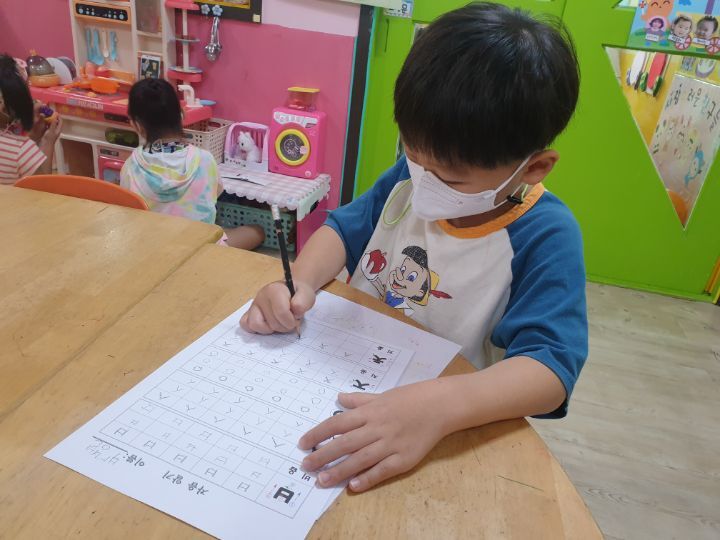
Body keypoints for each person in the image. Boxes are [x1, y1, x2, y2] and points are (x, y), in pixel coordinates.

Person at [241, 2, 587, 492]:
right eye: (411, 152)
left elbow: (549, 370)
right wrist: (299, 282)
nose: (423, 183)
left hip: (440, 421)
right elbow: (343, 230)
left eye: (451, 179)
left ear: (533, 168)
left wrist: (440, 406)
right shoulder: (410, 174)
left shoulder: (546, 235)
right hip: (345, 373)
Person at [121, 78, 264, 249]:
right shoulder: (205, 159)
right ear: (182, 114)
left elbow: (131, 213)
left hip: (153, 251)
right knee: (257, 232)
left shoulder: (131, 167)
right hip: (200, 249)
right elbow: (214, 194)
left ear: (136, 124)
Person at [0, 54, 61, 184]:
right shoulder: (20, 151)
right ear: (5, 109)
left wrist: (31, 139)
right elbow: (43, 189)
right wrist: (47, 142)